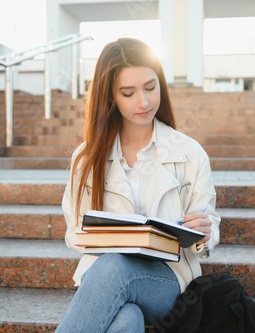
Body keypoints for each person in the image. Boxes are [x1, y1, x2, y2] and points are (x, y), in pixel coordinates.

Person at [57, 37, 220, 333]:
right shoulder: (87, 157)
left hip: (168, 280)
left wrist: (204, 233)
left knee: (114, 269)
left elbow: (209, 227)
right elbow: (74, 233)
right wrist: (114, 238)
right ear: (110, 97)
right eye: (128, 93)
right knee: (126, 320)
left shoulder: (190, 152)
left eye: (150, 87)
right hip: (105, 277)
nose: (144, 102)